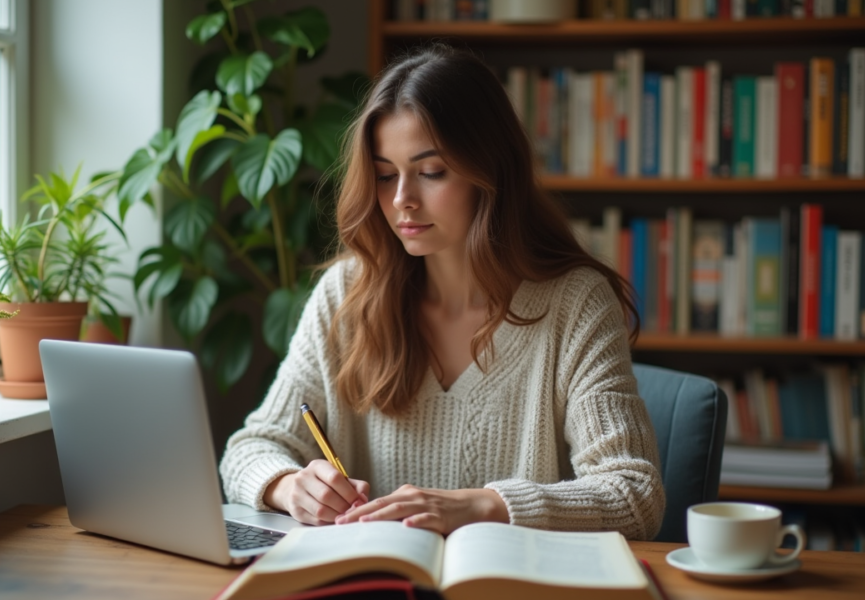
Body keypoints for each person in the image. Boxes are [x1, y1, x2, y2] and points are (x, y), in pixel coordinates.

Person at [219, 44, 665, 540]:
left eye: (431, 172)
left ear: (490, 171)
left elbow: (633, 494)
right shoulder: (346, 294)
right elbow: (250, 446)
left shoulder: (575, 304)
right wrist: (286, 485)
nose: (401, 200)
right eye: (386, 175)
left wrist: (481, 505)